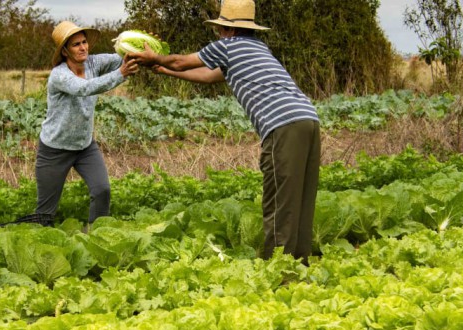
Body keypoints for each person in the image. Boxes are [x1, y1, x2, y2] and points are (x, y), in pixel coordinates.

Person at [128, 0, 321, 263]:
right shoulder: (256, 48)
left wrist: (156, 59)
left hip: (282, 125)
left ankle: (281, 269)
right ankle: (299, 262)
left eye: (221, 29)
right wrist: (165, 71)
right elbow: (209, 76)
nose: (219, 33)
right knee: (301, 196)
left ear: (229, 30)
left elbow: (182, 61)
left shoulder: (228, 46)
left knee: (279, 200)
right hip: (308, 119)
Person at [30, 21, 139, 227]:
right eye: (75, 45)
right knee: (45, 213)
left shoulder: (94, 63)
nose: (83, 48)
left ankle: (96, 235)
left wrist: (140, 48)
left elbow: (121, 57)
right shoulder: (59, 75)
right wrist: (120, 74)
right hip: (55, 149)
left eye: (84, 42)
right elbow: (85, 88)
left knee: (102, 190)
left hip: (84, 146)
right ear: (64, 51)